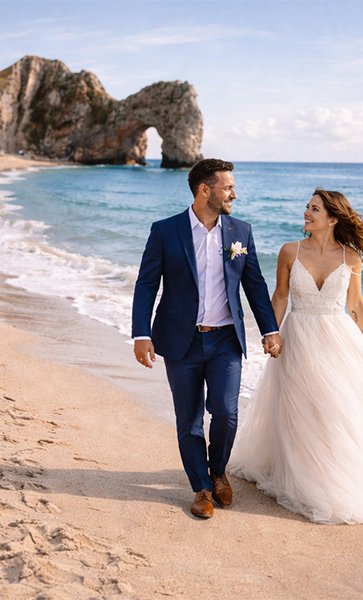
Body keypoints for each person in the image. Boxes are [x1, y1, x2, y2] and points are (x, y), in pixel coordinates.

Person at [228, 188, 363, 524]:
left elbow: (356, 306)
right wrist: (271, 333)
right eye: (307, 207)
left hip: (338, 339)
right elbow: (279, 296)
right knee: (302, 408)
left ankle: (338, 476)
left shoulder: (350, 257)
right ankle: (305, 475)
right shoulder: (289, 251)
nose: (306, 213)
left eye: (314, 209)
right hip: (298, 337)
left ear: (333, 218)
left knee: (338, 408)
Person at [131, 158, 283, 519]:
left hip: (226, 341)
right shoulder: (166, 231)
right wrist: (141, 333)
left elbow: (255, 285)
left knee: (227, 414)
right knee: (189, 420)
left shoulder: (240, 232)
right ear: (205, 190)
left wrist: (270, 329)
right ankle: (200, 486)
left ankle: (218, 473)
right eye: (228, 187)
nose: (234, 193)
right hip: (180, 341)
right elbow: (146, 284)